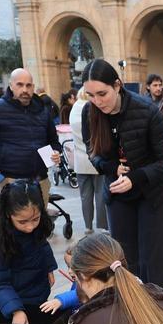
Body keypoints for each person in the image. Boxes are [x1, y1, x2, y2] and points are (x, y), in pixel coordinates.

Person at [80, 58, 163, 294]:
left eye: (102, 93)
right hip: (118, 196)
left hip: (154, 194)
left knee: (156, 264)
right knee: (123, 263)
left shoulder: (147, 111)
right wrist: (111, 167)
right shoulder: (89, 113)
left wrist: (135, 178)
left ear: (117, 85)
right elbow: (92, 153)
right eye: (90, 95)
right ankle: (133, 316)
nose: (97, 101)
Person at [0, 68, 60, 206]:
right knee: (11, 226)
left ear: (33, 87)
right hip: (9, 181)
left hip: (40, 181)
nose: (25, 89)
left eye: (28, 85)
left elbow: (53, 141)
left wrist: (55, 152)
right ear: (11, 86)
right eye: (20, 85)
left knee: (40, 225)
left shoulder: (42, 111)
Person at [0, 181, 58, 324]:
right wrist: (15, 310)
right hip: (11, 301)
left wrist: (49, 266)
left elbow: (42, 244)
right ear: (7, 214)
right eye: (22, 222)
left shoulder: (36, 224)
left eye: (35, 219)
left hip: (37, 290)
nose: (30, 227)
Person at [69, 88, 106, 234]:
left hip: (80, 159)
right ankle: (102, 226)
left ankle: (88, 226)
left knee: (85, 196)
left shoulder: (74, 109)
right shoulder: (93, 109)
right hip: (96, 158)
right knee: (100, 194)